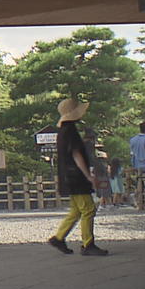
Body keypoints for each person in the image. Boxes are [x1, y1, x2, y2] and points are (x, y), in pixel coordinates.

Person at [48, 99, 108, 256]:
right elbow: (76, 154)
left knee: (76, 210)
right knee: (88, 209)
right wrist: (88, 175)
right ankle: (88, 244)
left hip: (67, 176)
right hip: (76, 176)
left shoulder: (62, 131)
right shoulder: (71, 131)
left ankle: (59, 237)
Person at [130, 123, 145, 210]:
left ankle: (136, 195)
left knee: (140, 181)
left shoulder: (133, 139)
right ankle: (138, 197)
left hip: (136, 164)